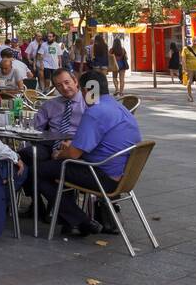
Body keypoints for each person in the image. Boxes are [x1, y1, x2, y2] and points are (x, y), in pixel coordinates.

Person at [33, 70, 140, 237]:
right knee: (54, 168)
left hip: (101, 176)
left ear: (84, 90)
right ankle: (74, 220)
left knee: (37, 171)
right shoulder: (117, 106)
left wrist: (59, 155)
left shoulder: (95, 111)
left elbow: (73, 154)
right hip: (123, 175)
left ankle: (80, 220)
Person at [181, 37, 196, 102]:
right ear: (192, 41)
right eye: (194, 41)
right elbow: (183, 59)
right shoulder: (186, 48)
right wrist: (184, 69)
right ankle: (190, 96)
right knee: (189, 82)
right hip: (189, 69)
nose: (195, 42)